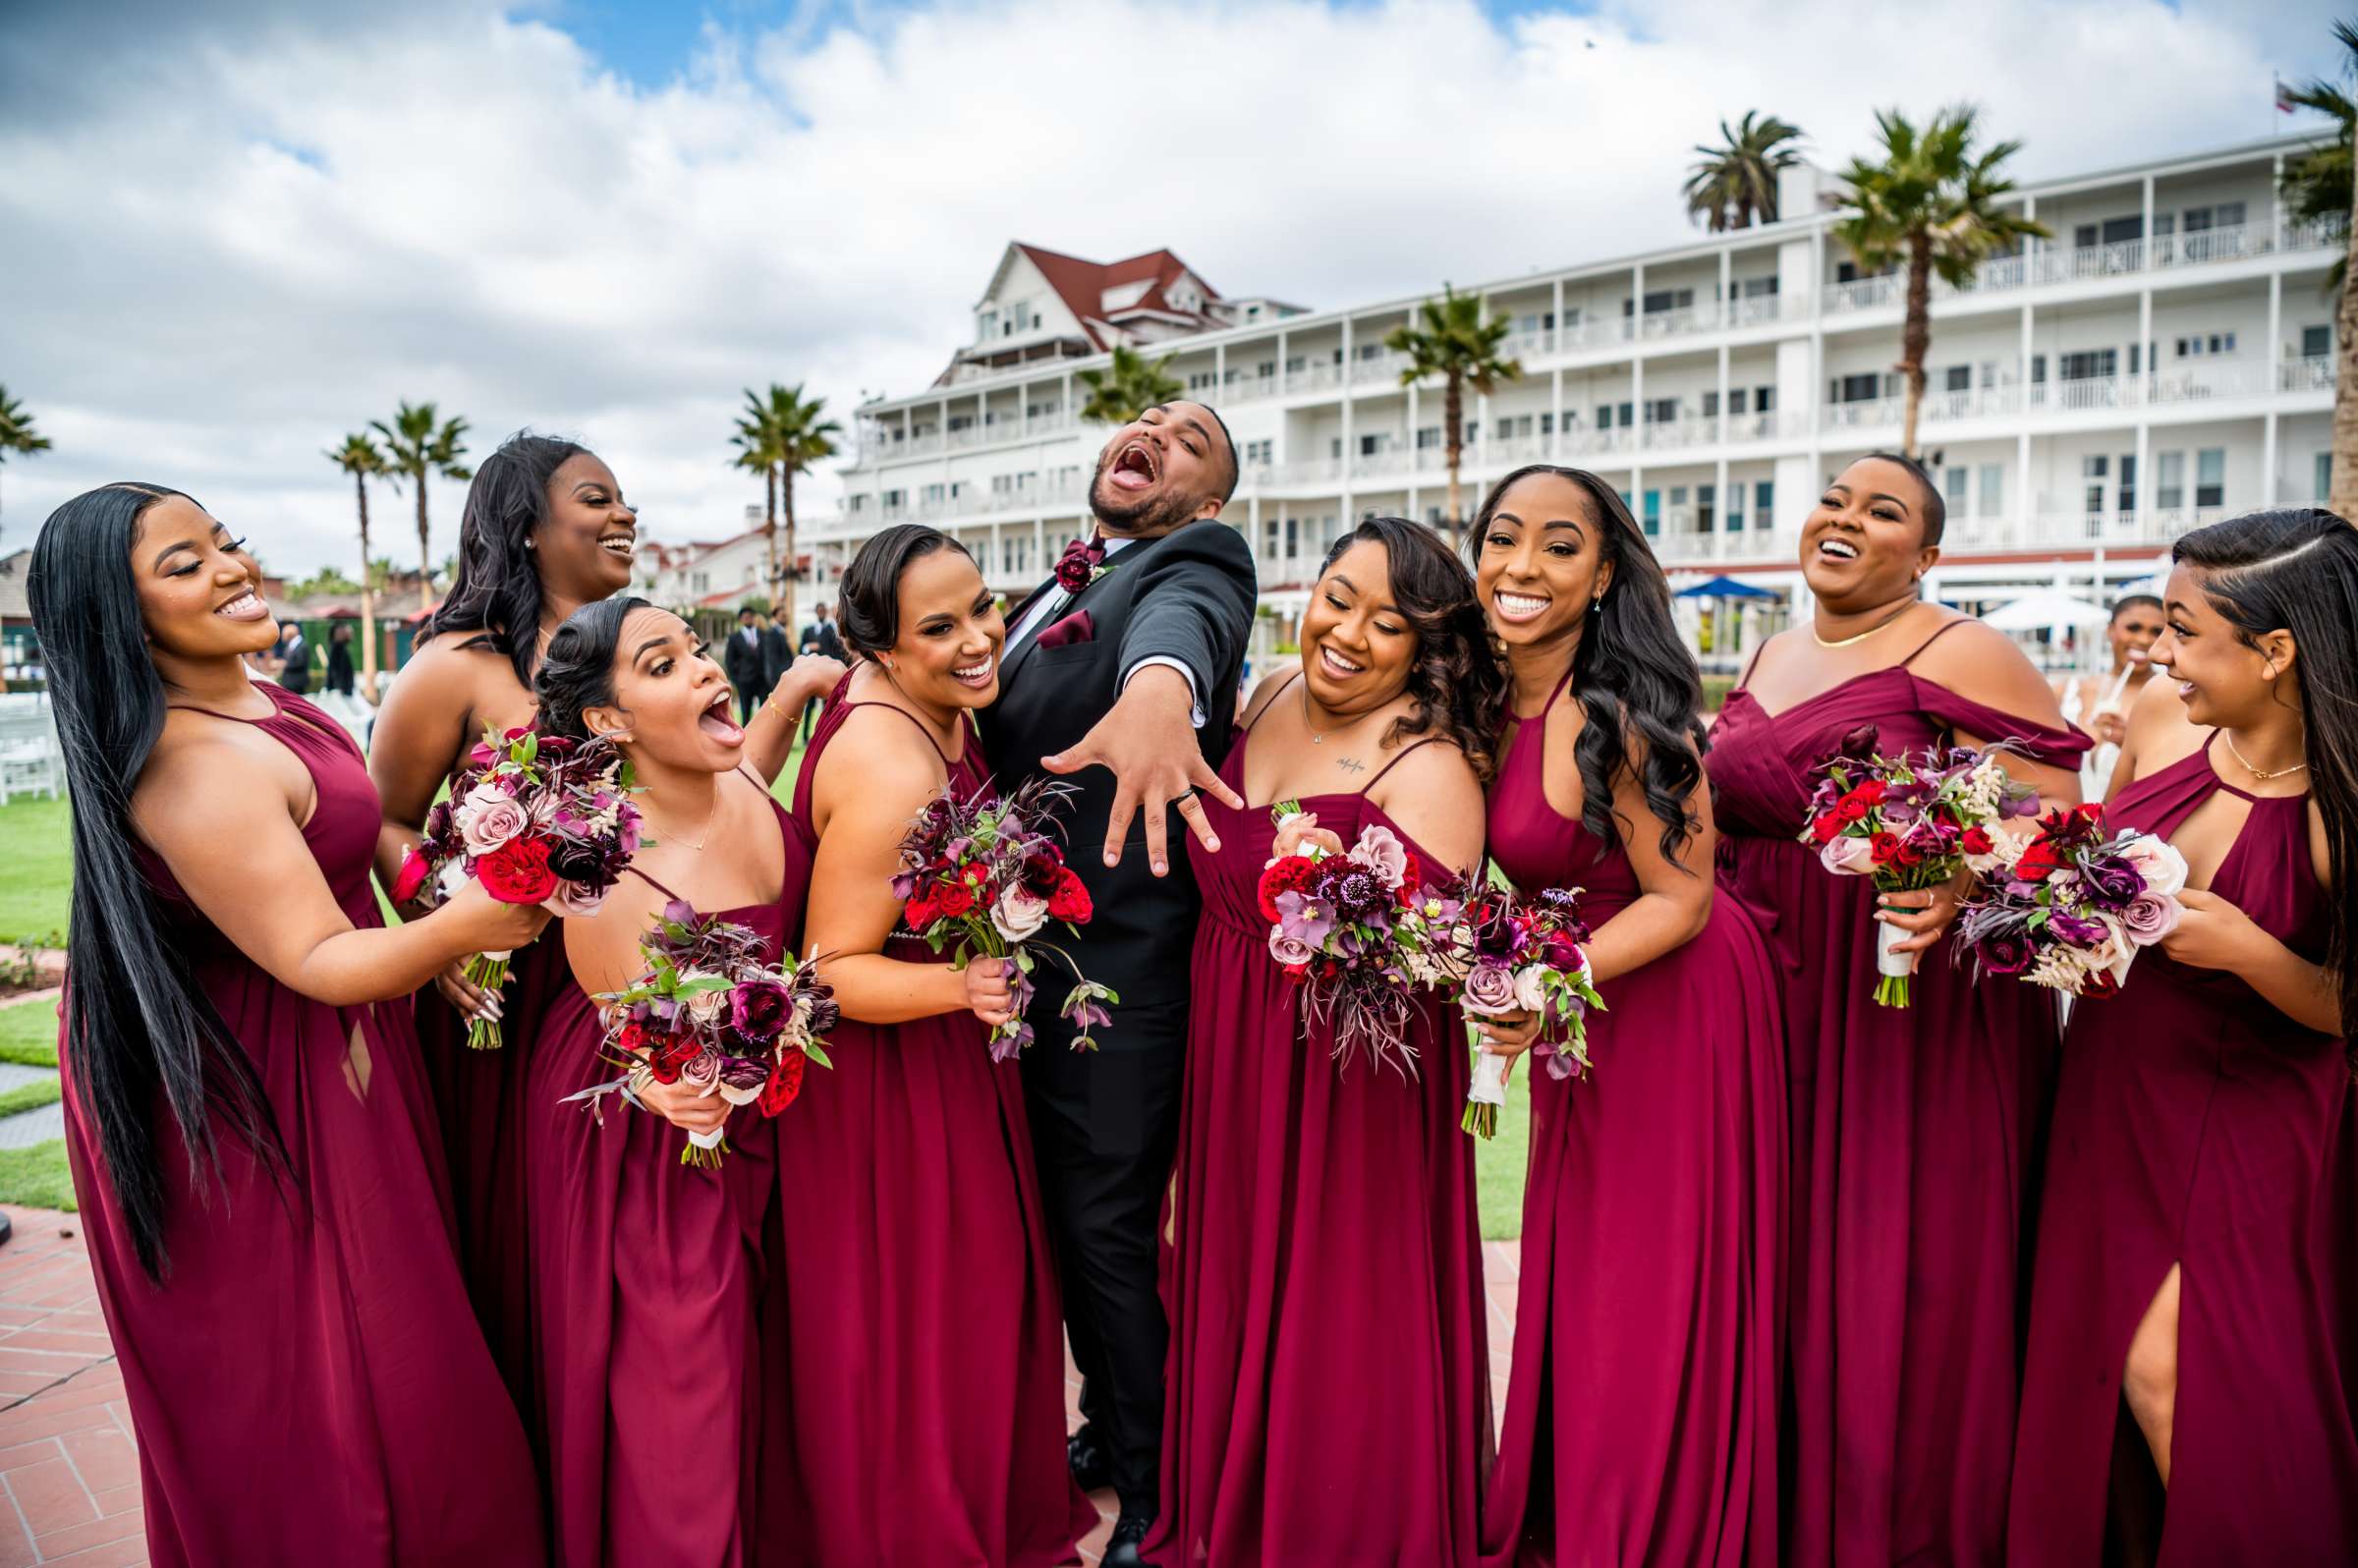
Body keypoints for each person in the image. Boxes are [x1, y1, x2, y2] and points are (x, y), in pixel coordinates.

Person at [28, 482, 548, 1564]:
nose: (229, 566)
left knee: (402, 1354)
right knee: (358, 1385)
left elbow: (337, 892)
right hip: (265, 1096)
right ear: (118, 619)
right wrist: (464, 927)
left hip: (338, 1048)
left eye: (222, 541)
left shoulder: (264, 702)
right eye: (183, 564)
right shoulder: (191, 765)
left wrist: (421, 945)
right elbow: (314, 957)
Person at [1706, 453, 2090, 1565]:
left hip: (1911, 995)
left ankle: (1905, 1531)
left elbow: (2058, 822)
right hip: (1778, 988)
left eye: (1884, 513)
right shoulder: (1776, 648)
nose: (1845, 518)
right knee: (1787, 1265)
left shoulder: (1962, 649)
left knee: (1903, 1271)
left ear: (1927, 557)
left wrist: (1958, 875)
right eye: (1835, 497)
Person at [2008, 510, 2358, 1563]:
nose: (2154, 651)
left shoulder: (2342, 812)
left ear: (2276, 650)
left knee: (2195, 1384)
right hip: (2111, 1097)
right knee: (2102, 1372)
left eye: (2179, 628)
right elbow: (2101, 863)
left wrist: (2253, 949)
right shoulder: (2162, 716)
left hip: (2252, 1120)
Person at [1151, 517, 1491, 1565]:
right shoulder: (1263, 702)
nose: (1346, 632)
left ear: (1427, 648)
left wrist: (1341, 911)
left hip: (1347, 1095)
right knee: (1234, 1280)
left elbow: (1435, 966)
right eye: (1338, 598)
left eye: (1389, 622)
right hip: (1231, 1064)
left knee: (1343, 1314)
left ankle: (1342, 1523)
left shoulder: (1430, 767)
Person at [1468, 469, 1786, 1567]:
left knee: (1645, 1275)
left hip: (1678, 999)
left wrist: (1543, 985)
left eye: (1559, 547)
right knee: (1590, 1262)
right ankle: (1579, 1502)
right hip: (1588, 999)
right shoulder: (1480, 699)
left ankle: (1649, 1523)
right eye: (1503, 539)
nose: (1521, 567)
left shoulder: (1626, 717)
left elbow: (1685, 898)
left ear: (1603, 575)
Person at [761, 525, 1095, 1567]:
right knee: (910, 1324)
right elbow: (826, 969)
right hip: (880, 1085)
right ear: (880, 647)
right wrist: (964, 981)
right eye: (939, 628)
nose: (979, 640)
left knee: (968, 1309)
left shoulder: (941, 711)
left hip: (941, 1056)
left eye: (983, 608)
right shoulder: (888, 762)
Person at [981, 400, 1257, 1563]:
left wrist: (1156, 695)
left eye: (1189, 438)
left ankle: (1155, 1490)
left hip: (1121, 970)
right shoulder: (1066, 582)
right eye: (1142, 421)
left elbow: (1182, 632)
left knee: (1106, 1226)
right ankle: (1102, 1422)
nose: (1152, 432)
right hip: (1017, 962)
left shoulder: (1196, 559)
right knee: (1057, 1210)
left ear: (1209, 498)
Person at [522, 597, 807, 1565]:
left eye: (696, 648)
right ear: (609, 720)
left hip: (790, 1129)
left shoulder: (753, 782)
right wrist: (656, 1084)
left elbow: (747, 763)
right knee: (686, 1405)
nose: (700, 667)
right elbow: (628, 1038)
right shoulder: (608, 877)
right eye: (661, 662)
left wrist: (808, 681)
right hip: (664, 1163)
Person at [367, 431, 639, 1404]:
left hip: (634, 977)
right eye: (599, 498)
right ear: (526, 527)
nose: (626, 515)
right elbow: (386, 814)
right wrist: (444, 919)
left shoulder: (641, 642)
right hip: (510, 985)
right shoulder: (457, 666)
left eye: (624, 499)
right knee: (519, 1231)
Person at [2053, 591, 2163, 800]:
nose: (2143, 639)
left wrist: (2129, 745)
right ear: (2110, 630)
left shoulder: (2173, 698)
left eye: (2156, 631)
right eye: (2133, 628)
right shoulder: (2068, 691)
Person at [795, 603, 846, 744]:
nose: (821, 613)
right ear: (816, 612)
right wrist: (808, 647)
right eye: (819, 610)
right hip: (811, 675)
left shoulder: (831, 630)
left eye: (823, 610)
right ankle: (805, 737)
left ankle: (824, 736)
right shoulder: (808, 630)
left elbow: (837, 651)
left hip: (827, 675)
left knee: (827, 708)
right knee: (809, 707)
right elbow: (801, 650)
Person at [725, 604, 770, 721]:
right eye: (745, 617)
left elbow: (768, 657)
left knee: (764, 713)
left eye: (750, 617)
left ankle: (763, 737)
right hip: (744, 681)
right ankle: (747, 738)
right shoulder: (734, 638)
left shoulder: (763, 634)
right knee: (745, 714)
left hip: (762, 681)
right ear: (741, 619)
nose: (748, 619)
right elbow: (729, 661)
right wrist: (736, 680)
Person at [273, 618, 310, 695]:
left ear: (289, 634)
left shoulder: (302, 645)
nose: (282, 637)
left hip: (297, 682)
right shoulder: (290, 645)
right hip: (289, 682)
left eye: (283, 635)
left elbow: (300, 662)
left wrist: (284, 664)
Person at [325, 620, 357, 697]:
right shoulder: (338, 647)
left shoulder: (341, 647)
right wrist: (340, 687)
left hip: (342, 688)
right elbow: (336, 669)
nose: (351, 634)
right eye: (349, 632)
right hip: (340, 690)